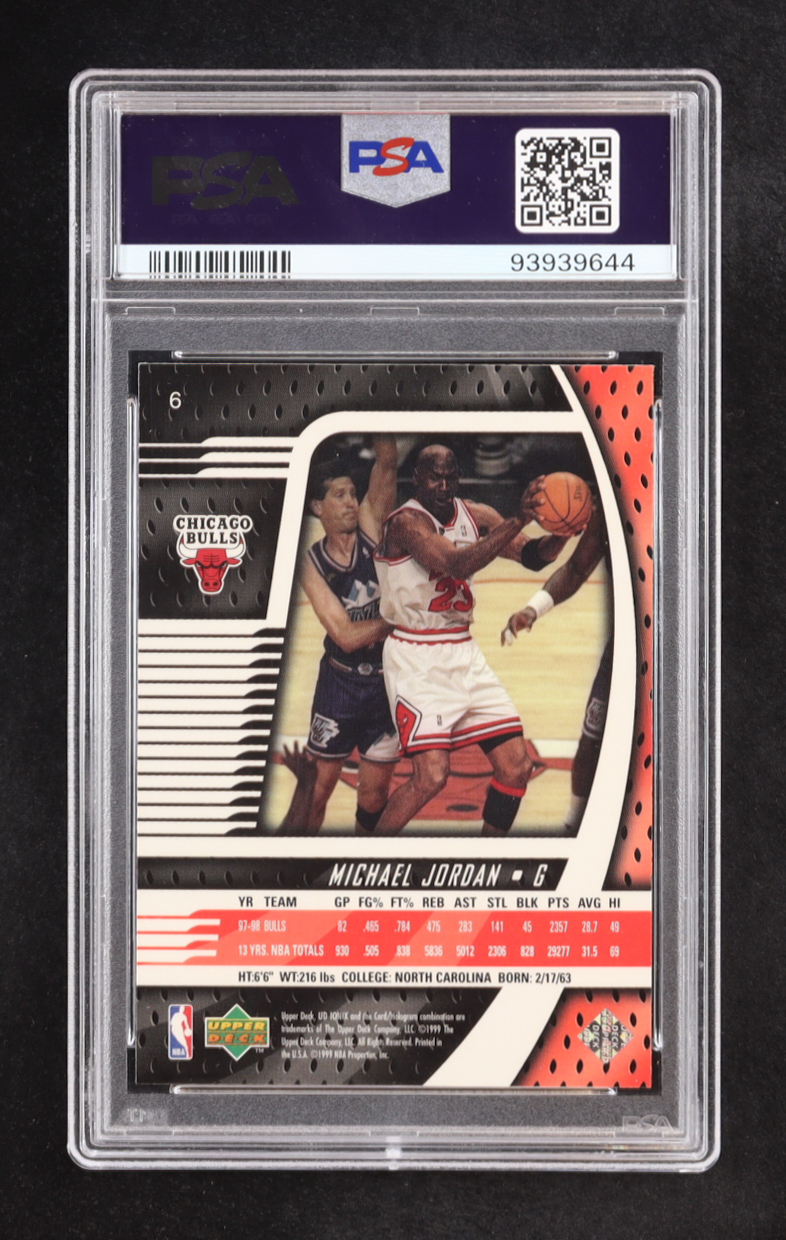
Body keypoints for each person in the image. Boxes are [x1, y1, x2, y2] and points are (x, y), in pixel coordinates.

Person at [372, 443, 568, 836]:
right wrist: (518, 519)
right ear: (417, 478)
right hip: (416, 656)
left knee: (517, 767)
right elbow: (456, 564)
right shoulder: (406, 523)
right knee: (431, 776)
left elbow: (531, 556)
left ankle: (487, 856)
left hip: (463, 650)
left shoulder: (476, 515)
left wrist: (563, 531)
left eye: (450, 478)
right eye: (435, 478)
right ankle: (370, 854)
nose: (444, 487)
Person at [295, 435, 400, 833]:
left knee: (374, 796)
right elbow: (346, 635)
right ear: (317, 507)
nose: (351, 502)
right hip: (339, 686)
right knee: (316, 791)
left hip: (386, 682)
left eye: (353, 494)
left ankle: (360, 865)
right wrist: (403, 617)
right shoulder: (311, 564)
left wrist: (371, 410)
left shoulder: (371, 524)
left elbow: (387, 460)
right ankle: (299, 864)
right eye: (339, 495)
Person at [502, 504, 608, 834]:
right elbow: (576, 568)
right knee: (591, 740)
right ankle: (572, 826)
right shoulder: (615, 508)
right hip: (628, 646)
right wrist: (533, 610)